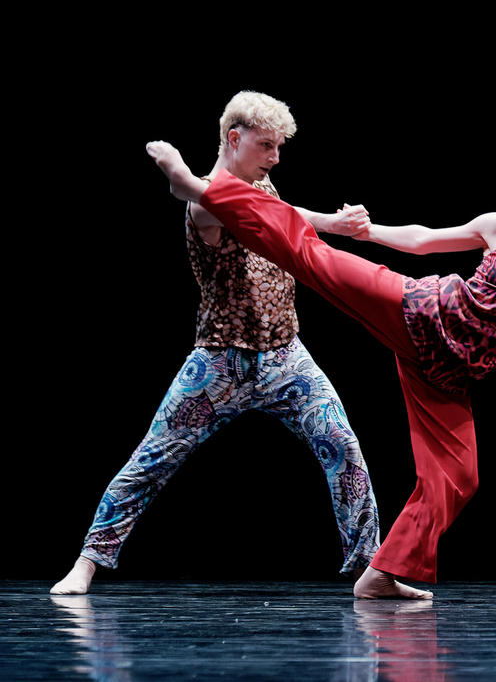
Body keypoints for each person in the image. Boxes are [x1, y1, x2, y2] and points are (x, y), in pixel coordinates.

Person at [145, 138, 496, 600]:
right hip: (418, 313)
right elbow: (425, 240)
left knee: (459, 479)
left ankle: (380, 575)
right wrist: (370, 233)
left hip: (447, 375)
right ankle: (200, 187)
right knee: (312, 257)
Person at [51, 92, 381, 595]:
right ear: (235, 138)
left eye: (278, 147)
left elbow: (283, 211)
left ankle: (369, 570)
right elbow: (203, 196)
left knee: (343, 446)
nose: (275, 157)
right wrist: (174, 165)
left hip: (285, 357)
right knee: (153, 459)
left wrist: (333, 224)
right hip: (219, 363)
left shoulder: (262, 184)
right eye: (266, 146)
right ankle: (87, 562)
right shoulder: (207, 205)